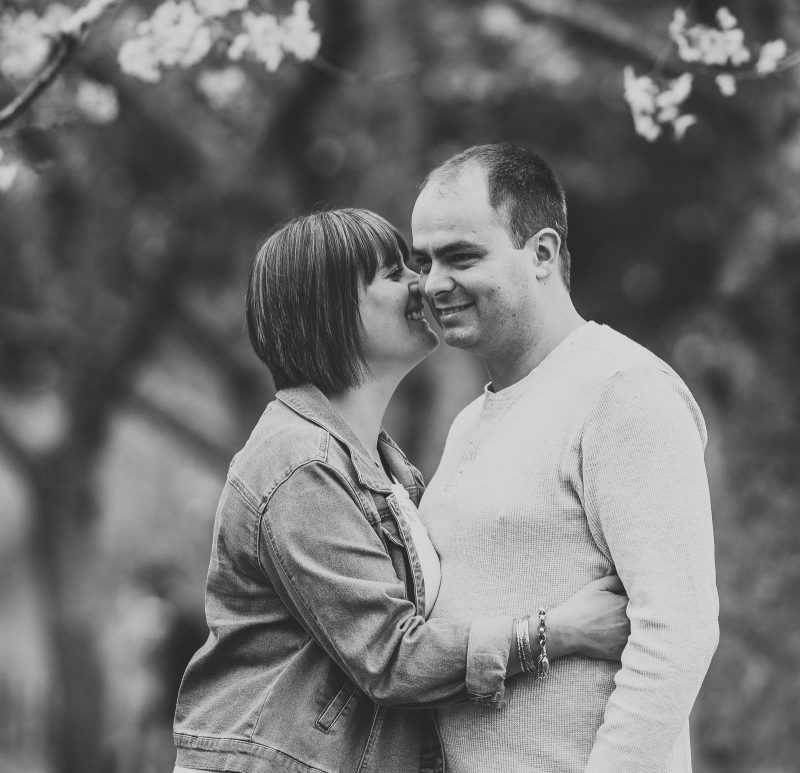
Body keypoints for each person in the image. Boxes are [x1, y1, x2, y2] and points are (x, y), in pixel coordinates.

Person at [172, 208, 630, 773]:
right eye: (395, 273)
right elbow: (389, 657)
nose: (425, 283)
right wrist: (555, 633)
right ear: (331, 307)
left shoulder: (388, 472)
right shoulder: (298, 465)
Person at [409, 143, 720, 772]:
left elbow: (678, 632)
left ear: (543, 253)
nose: (435, 283)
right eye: (424, 261)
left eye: (461, 256)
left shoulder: (621, 389)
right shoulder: (473, 420)